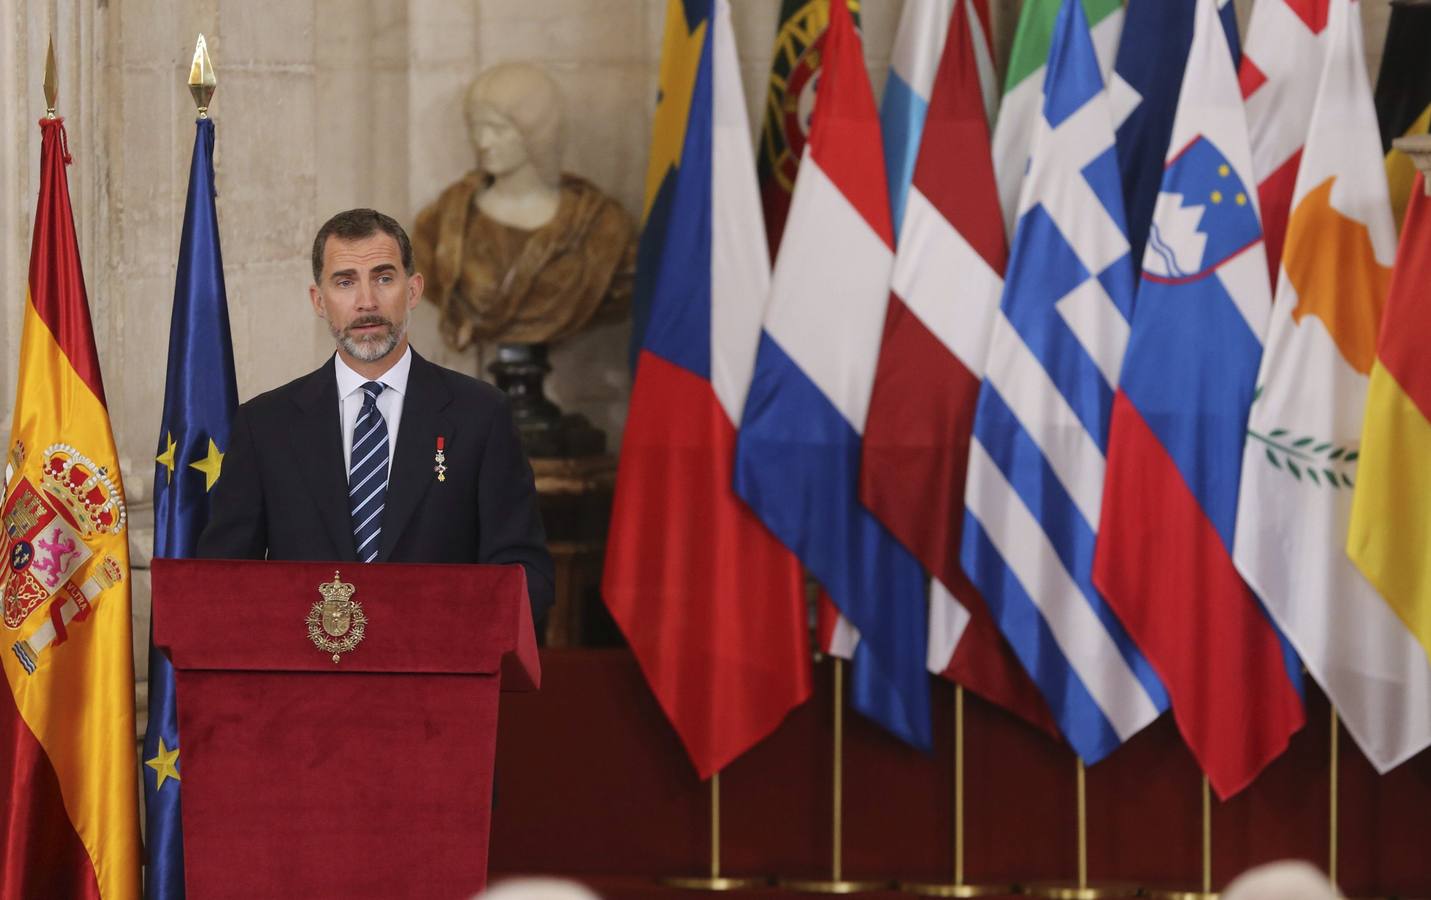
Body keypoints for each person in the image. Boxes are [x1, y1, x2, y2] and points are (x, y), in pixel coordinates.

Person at [197, 208, 554, 624]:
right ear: (318, 300)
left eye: (384, 278)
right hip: (308, 680)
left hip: (437, 676)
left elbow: (526, 575)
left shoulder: (481, 415)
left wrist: (455, 631)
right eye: (345, 282)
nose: (366, 302)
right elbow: (222, 581)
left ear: (414, 290)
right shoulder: (265, 426)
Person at [412, 62, 635, 352]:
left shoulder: (600, 227)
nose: (482, 142)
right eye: (476, 128)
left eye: (497, 129)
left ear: (535, 133)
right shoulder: (440, 226)